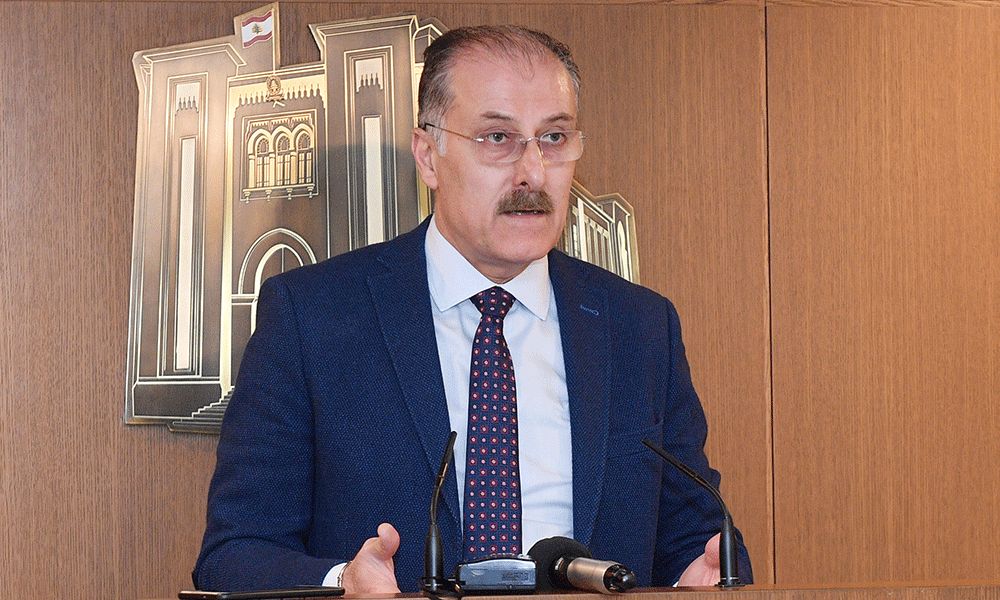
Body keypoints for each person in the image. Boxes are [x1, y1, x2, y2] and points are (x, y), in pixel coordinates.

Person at [193, 25, 752, 593]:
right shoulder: (313, 317)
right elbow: (234, 554)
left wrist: (703, 574)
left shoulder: (640, 328)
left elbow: (697, 541)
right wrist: (343, 583)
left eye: (554, 137)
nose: (533, 172)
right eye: (497, 138)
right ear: (428, 156)